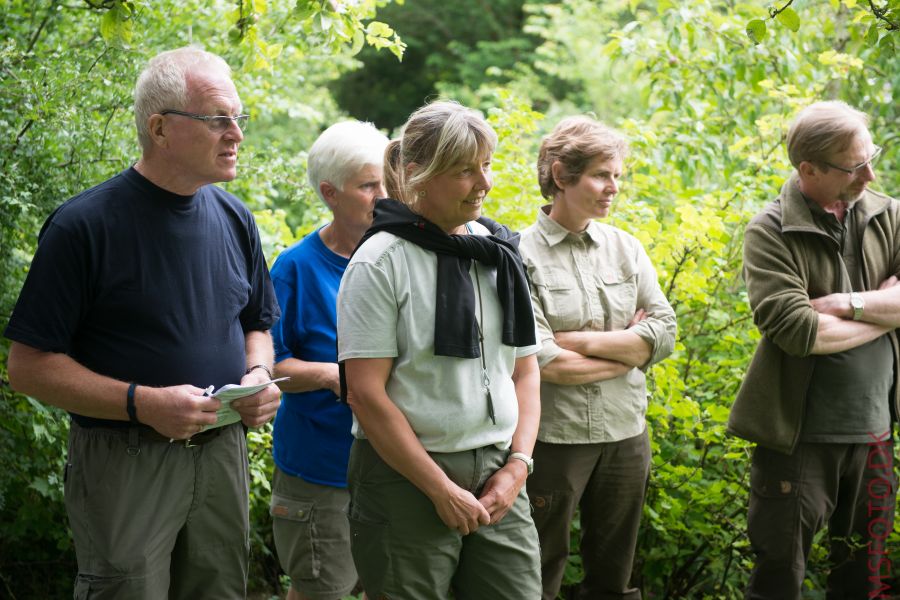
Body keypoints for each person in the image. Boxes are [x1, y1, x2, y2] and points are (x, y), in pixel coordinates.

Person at [4, 46, 281, 598]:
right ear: (160, 128)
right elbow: (28, 368)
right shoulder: (83, 226)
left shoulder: (234, 217)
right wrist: (143, 402)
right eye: (218, 119)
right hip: (125, 459)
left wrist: (257, 375)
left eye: (238, 118)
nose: (236, 134)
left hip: (222, 449)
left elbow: (258, 323)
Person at [337, 100, 543, 599]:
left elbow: (526, 372)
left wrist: (518, 467)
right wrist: (439, 489)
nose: (485, 184)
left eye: (486, 166)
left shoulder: (497, 252)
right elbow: (365, 395)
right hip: (404, 478)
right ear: (418, 175)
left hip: (498, 470)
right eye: (464, 171)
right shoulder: (379, 263)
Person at [727, 100, 899, 598]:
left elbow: (824, 322)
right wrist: (884, 311)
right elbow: (799, 331)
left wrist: (847, 305)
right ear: (809, 169)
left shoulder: (890, 215)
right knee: (780, 579)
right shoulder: (769, 230)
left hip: (875, 434)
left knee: (863, 579)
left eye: (871, 156)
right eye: (853, 166)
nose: (870, 172)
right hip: (797, 440)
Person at [518, 115, 676, 600]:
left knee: (613, 578)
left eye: (617, 177)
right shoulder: (519, 254)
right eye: (602, 175)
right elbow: (546, 363)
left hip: (627, 433)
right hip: (555, 438)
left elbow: (664, 333)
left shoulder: (626, 248)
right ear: (562, 175)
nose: (613, 188)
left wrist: (577, 340)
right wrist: (629, 351)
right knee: (539, 569)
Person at [268, 120, 388, 600]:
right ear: (329, 192)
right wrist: (332, 376)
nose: (383, 195)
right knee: (322, 590)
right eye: (367, 185)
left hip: (393, 466)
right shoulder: (294, 268)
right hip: (321, 473)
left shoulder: (398, 256)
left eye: (386, 182)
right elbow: (268, 368)